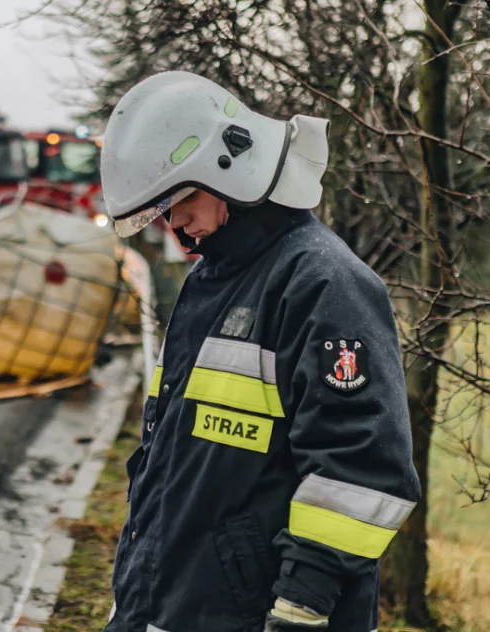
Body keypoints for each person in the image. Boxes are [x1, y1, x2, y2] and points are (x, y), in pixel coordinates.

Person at [100, 71, 421, 632]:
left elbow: (360, 473)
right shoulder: (213, 280)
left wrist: (300, 610)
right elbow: (171, 456)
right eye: (162, 208)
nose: (174, 222)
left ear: (233, 171)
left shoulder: (325, 284)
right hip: (176, 605)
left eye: (181, 199)